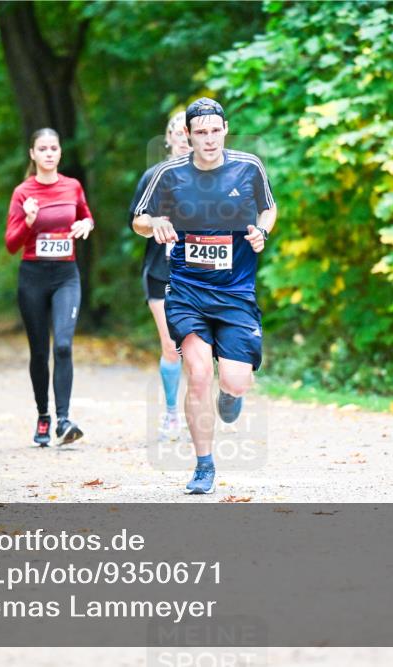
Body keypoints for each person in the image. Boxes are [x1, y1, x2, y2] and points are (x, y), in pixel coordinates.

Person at [132, 97, 277, 494]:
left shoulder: (249, 167)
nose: (209, 139)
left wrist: (262, 232)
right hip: (187, 290)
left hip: (235, 292)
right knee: (197, 374)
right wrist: (156, 223)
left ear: (225, 130)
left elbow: (268, 209)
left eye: (215, 131)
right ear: (188, 135)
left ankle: (231, 394)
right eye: (201, 132)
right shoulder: (169, 174)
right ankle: (203, 466)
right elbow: (139, 220)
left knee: (236, 381)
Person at [5, 128, 95, 447]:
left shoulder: (72, 186)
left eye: (53, 148)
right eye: (42, 149)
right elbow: (11, 244)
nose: (48, 153)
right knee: (40, 351)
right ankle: (43, 414)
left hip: (66, 276)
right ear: (32, 154)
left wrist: (86, 224)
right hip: (33, 277)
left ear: (60, 152)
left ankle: (64, 420)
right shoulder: (23, 192)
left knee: (64, 346)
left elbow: (86, 216)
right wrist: (28, 221)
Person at [129, 112, 191, 440]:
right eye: (177, 133)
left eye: (188, 133)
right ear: (168, 139)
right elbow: (136, 221)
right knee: (171, 346)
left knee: (202, 347)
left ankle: (215, 398)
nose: (183, 139)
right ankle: (171, 414)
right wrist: (155, 222)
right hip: (160, 271)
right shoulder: (154, 176)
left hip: (201, 273)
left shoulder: (213, 177)